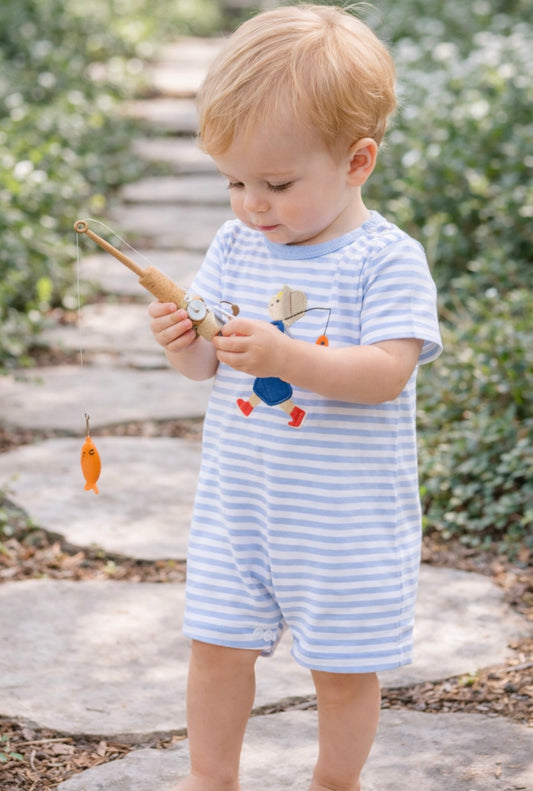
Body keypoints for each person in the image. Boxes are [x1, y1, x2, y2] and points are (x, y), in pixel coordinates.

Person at [149, 4, 442, 790]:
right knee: (215, 647)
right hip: (239, 505)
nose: (252, 203)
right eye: (234, 181)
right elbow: (208, 364)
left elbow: (386, 371)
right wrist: (183, 343)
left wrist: (286, 354)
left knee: (341, 670)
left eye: (276, 184)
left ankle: (334, 780)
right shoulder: (235, 244)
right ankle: (210, 776)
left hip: (340, 518)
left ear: (356, 162)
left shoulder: (384, 260)